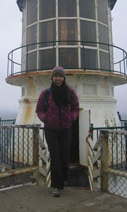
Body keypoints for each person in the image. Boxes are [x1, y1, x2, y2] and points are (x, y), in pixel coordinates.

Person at [36, 66, 79, 197]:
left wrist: (71, 118)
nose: (58, 78)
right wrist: (46, 119)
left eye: (60, 76)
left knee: (64, 156)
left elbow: (75, 107)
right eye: (56, 76)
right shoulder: (46, 93)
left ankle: (63, 180)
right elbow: (39, 110)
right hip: (51, 129)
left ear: (64, 78)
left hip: (66, 128)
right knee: (55, 156)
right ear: (52, 77)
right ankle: (55, 186)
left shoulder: (70, 92)